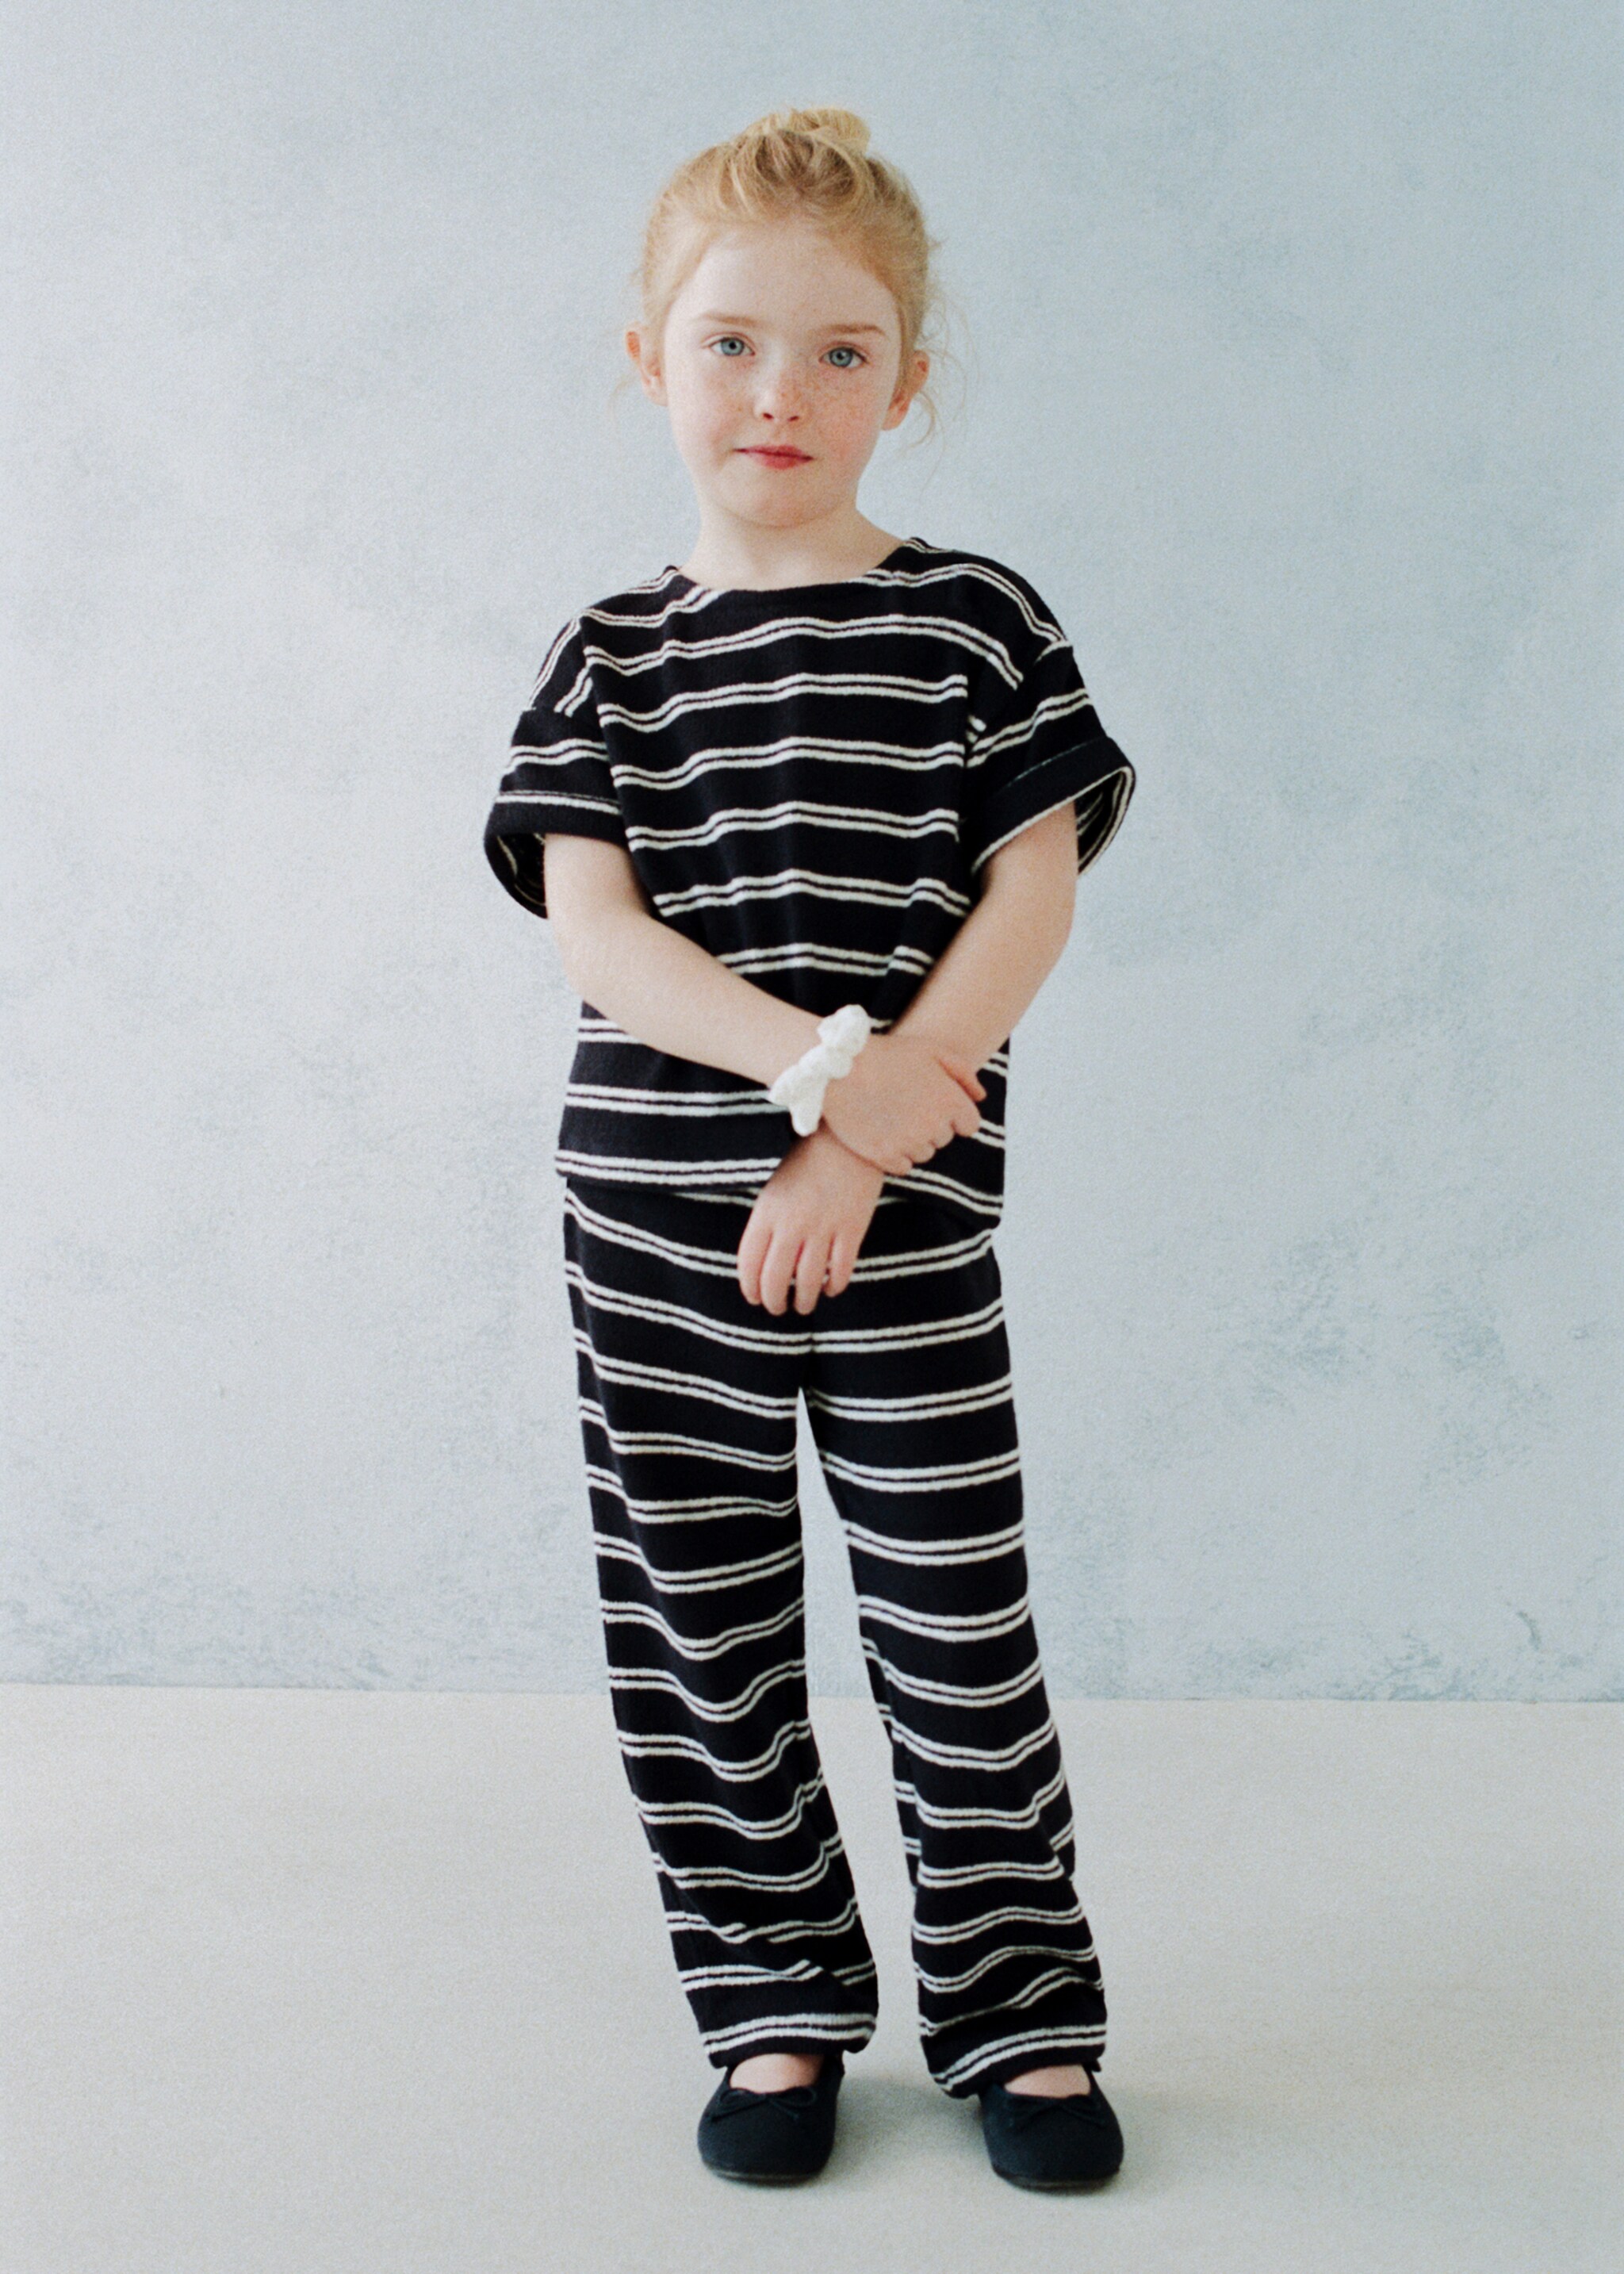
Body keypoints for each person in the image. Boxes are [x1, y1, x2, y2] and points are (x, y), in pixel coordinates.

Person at [482, 106, 1136, 2190]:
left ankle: (1018, 2012)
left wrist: (876, 1124)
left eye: (845, 353)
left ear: (908, 386)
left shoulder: (975, 627)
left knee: (957, 1623)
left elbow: (1030, 894)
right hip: (654, 1221)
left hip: (909, 1215)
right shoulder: (610, 656)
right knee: (708, 1618)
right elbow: (601, 932)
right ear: (648, 363)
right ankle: (772, 2000)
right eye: (735, 344)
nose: (785, 392)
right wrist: (815, 1073)